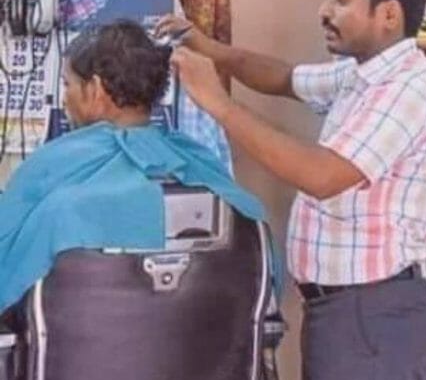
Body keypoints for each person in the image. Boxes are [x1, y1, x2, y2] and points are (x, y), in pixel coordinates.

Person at [157, 0, 426, 380]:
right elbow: (282, 77)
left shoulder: (405, 92)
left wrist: (219, 104)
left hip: (370, 316)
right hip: (342, 314)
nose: (323, 11)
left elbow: (323, 175)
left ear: (389, 14)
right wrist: (207, 48)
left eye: (339, 0)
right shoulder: (360, 75)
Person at [0, 20, 264, 312]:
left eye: (68, 84)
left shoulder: (52, 169)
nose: (65, 98)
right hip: (193, 350)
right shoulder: (198, 164)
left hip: (73, 350)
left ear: (96, 89)